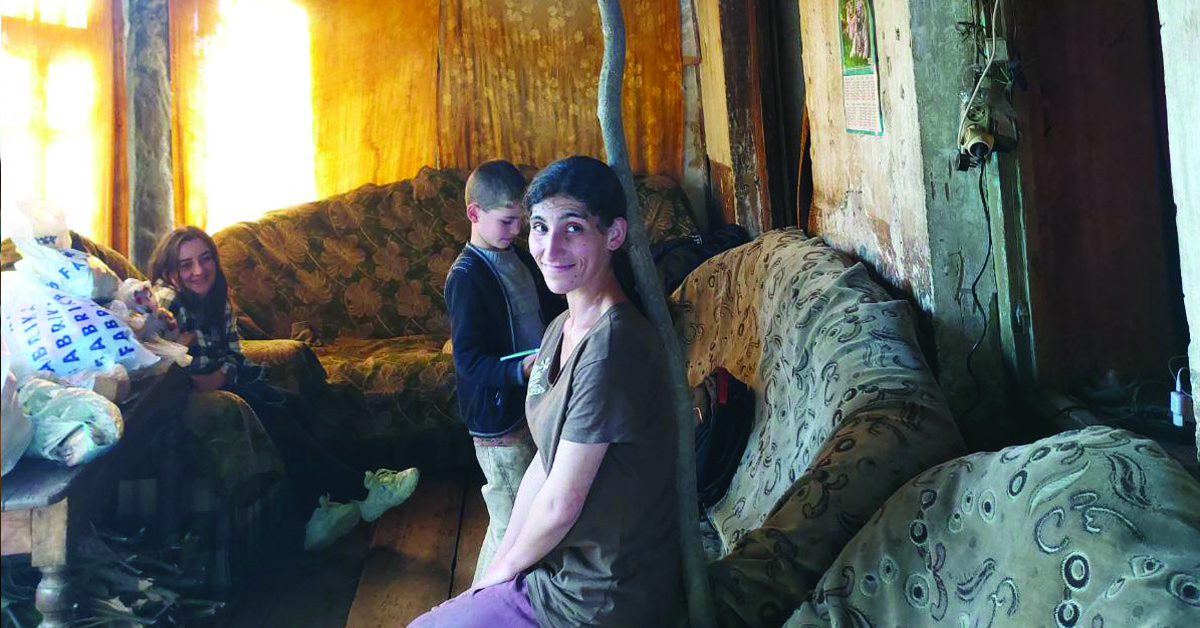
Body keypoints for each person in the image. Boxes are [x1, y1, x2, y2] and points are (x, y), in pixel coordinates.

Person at [412, 156, 680, 627]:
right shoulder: (561, 328)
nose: (550, 248)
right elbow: (545, 458)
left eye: (572, 228)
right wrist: (501, 567)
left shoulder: (614, 347)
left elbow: (560, 505)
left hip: (596, 593)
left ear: (613, 235)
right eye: (538, 227)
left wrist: (502, 575)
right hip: (558, 567)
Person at [148, 226, 418, 550]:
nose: (198, 270)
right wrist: (202, 370)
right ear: (169, 270)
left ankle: (318, 510)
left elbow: (232, 357)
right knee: (272, 411)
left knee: (290, 403)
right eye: (186, 264)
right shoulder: (168, 299)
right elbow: (178, 370)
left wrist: (217, 369)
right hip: (189, 400)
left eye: (205, 259)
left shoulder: (216, 296)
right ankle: (362, 490)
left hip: (230, 382)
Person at [445, 160, 564, 582]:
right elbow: (469, 361)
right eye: (508, 221)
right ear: (475, 214)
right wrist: (520, 371)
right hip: (498, 423)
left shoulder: (517, 257)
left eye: (523, 222)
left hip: (529, 404)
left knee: (530, 513)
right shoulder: (466, 276)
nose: (517, 231)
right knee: (509, 526)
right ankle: (478, 604)